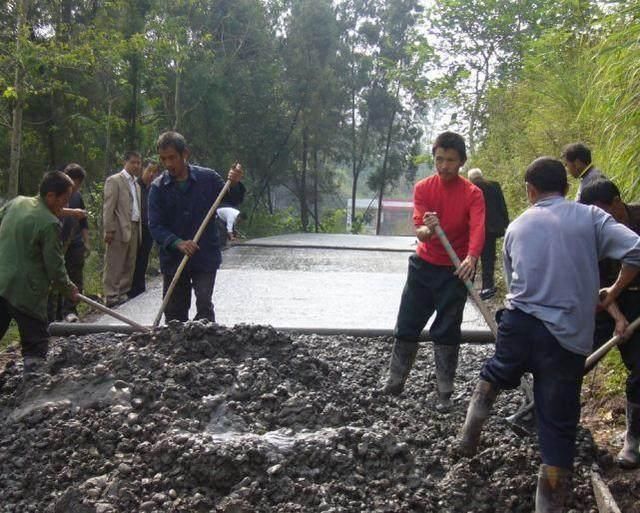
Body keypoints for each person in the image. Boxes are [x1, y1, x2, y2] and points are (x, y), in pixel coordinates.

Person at [456, 158, 640, 512]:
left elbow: (512, 286)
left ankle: (467, 438)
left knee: (496, 372)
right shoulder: (591, 217)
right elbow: (635, 250)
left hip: (520, 326)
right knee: (557, 431)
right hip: (566, 340)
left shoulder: (517, 226)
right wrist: (614, 291)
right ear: (568, 189)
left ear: (530, 191)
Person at [380, 131, 485, 411]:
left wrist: (472, 257)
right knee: (408, 322)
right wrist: (427, 229)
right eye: (439, 159)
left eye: (450, 160)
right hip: (424, 265)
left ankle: (444, 392)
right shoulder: (424, 188)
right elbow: (422, 231)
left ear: (461, 161)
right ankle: (395, 381)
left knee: (448, 327)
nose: (444, 166)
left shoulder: (473, 194)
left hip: (456, 269)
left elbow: (478, 228)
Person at [148, 131, 244, 323]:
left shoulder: (208, 179)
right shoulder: (158, 188)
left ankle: (207, 347)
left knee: (204, 305)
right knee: (175, 313)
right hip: (174, 259)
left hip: (204, 255)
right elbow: (155, 226)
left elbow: (234, 198)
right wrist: (177, 243)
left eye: (172, 158)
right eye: (163, 159)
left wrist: (234, 183)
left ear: (185, 154)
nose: (168, 164)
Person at [580, 178, 640, 469]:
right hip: (605, 303)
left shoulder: (638, 218)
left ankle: (633, 439)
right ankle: (547, 416)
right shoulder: (591, 233)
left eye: (599, 212)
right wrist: (617, 317)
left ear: (616, 203)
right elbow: (598, 284)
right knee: (576, 355)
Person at [0, 171, 80, 375]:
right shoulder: (49, 223)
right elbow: (55, 266)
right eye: (64, 199)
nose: (65, 204)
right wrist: (68, 288)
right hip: (26, 291)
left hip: (2, 283)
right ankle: (32, 391)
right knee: (35, 344)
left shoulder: (17, 203)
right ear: (51, 196)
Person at [102, 151, 142, 306]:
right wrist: (109, 229)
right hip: (119, 226)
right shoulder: (115, 180)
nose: (137, 166)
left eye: (139, 163)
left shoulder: (136, 184)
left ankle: (123, 292)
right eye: (133, 162)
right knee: (114, 261)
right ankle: (111, 295)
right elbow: (108, 206)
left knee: (129, 261)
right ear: (125, 162)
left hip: (134, 225)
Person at [467, 168, 509, 300]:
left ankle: (468, 286)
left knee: (472, 256)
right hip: (491, 229)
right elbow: (502, 206)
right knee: (488, 259)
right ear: (481, 176)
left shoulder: (469, 187)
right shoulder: (494, 185)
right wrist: (505, 223)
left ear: (470, 178)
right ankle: (487, 287)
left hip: (474, 228)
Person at [128, 162, 160, 298]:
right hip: (135, 228)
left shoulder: (154, 188)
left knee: (143, 258)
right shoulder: (135, 186)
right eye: (149, 171)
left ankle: (139, 288)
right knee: (132, 258)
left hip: (149, 228)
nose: (151, 174)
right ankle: (129, 288)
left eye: (154, 172)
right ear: (143, 170)